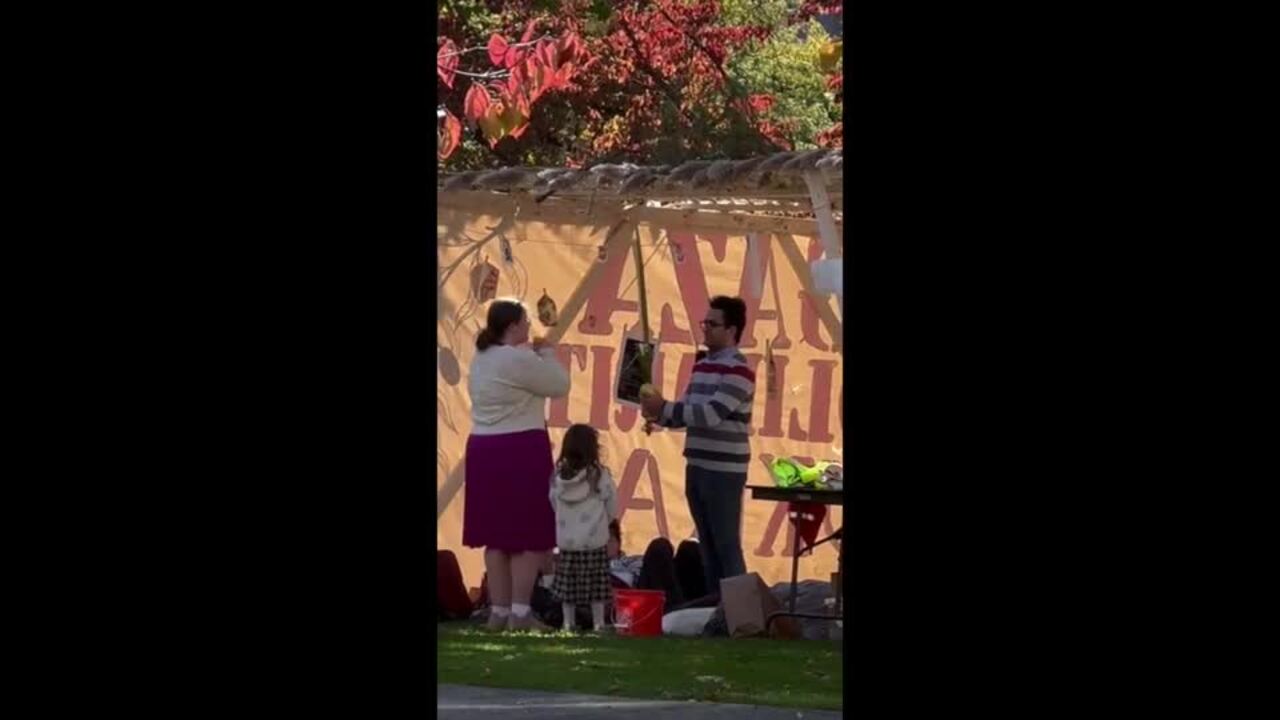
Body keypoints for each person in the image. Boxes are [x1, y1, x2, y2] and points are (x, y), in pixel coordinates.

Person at [464, 298, 570, 632]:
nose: (529, 327)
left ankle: (499, 610)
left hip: (484, 448)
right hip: (520, 447)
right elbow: (559, 385)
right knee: (528, 535)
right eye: (525, 321)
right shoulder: (516, 359)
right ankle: (521, 613)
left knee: (496, 537)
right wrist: (548, 353)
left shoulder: (481, 357)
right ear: (512, 326)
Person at [640, 296, 755, 596]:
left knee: (726, 544)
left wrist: (665, 407)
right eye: (704, 323)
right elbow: (688, 411)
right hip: (698, 464)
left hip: (724, 470)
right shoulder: (702, 365)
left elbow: (710, 414)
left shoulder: (739, 370)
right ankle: (714, 606)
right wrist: (659, 414)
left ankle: (740, 612)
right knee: (707, 544)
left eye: (712, 324)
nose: (704, 329)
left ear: (731, 330)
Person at [549, 424, 618, 632]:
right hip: (594, 542)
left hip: (567, 543)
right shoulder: (600, 476)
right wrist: (602, 524)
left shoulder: (558, 478)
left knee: (567, 586)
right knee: (596, 586)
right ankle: (598, 624)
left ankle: (567, 623)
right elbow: (612, 505)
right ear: (593, 448)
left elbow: (552, 502)